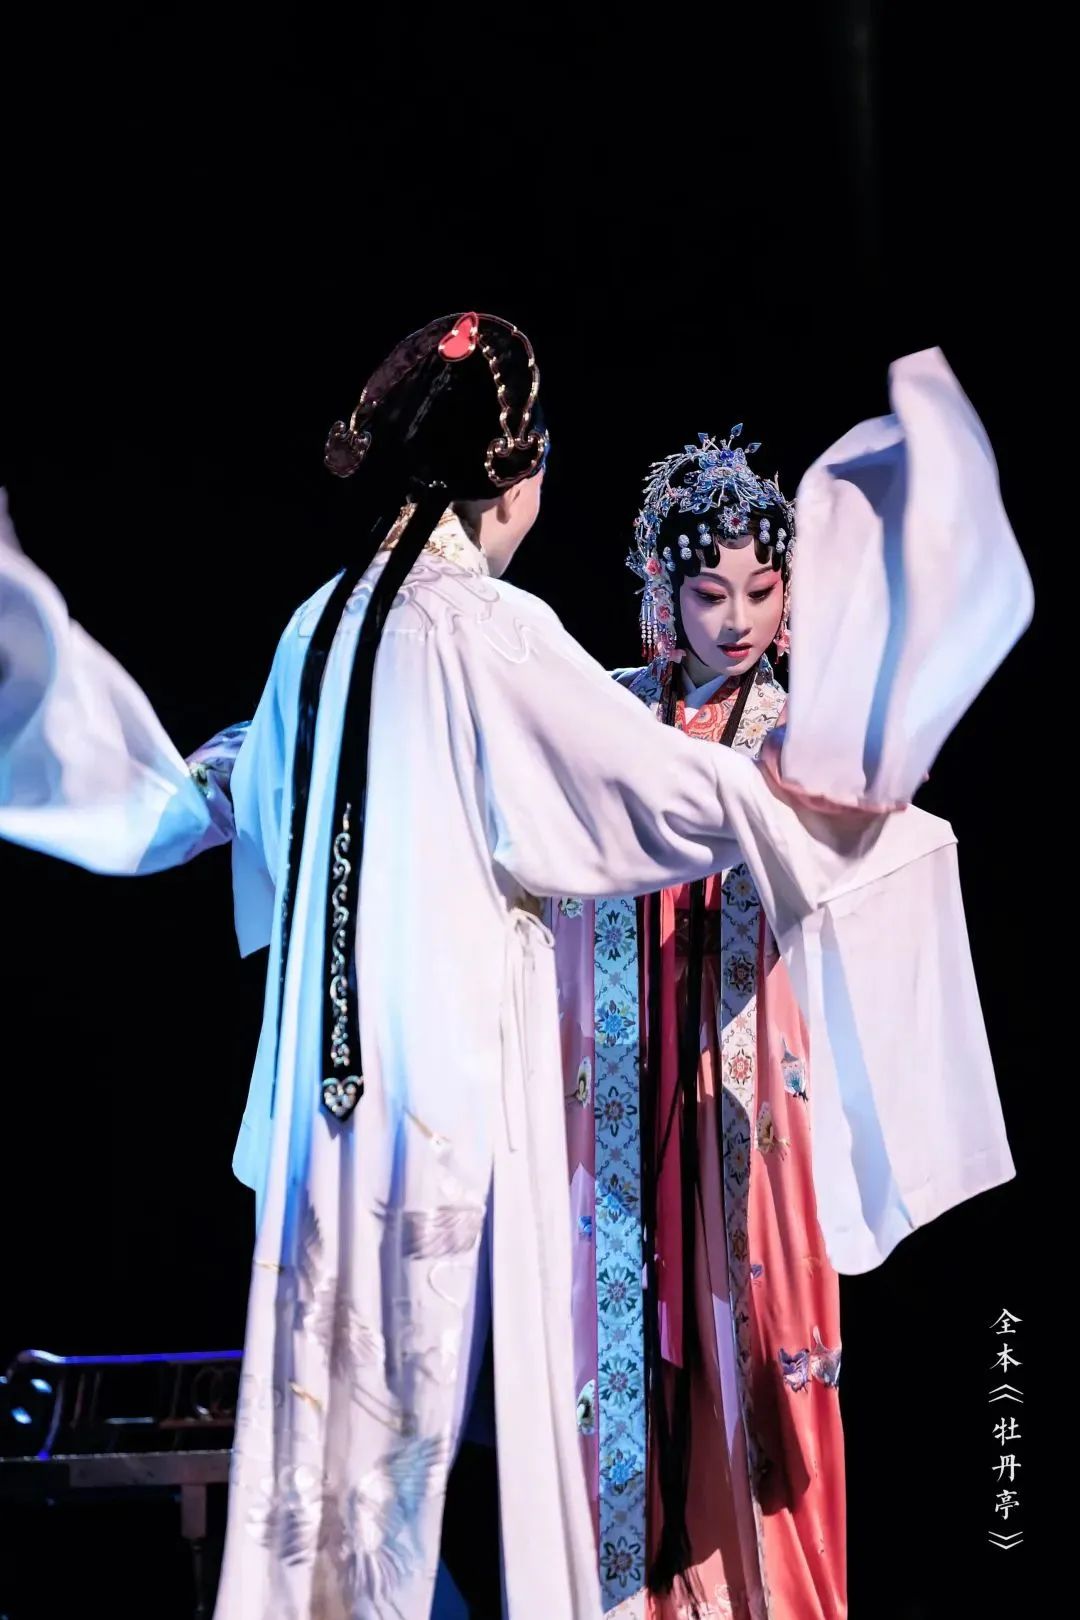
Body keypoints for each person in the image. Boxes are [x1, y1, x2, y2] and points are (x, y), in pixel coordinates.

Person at [0, 321, 1029, 1620]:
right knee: (459, 1439)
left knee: (327, 1460)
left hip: (326, 1113)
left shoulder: (320, 627)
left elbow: (214, 792)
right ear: (519, 468)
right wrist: (831, 797)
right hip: (450, 1106)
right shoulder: (486, 630)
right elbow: (647, 786)